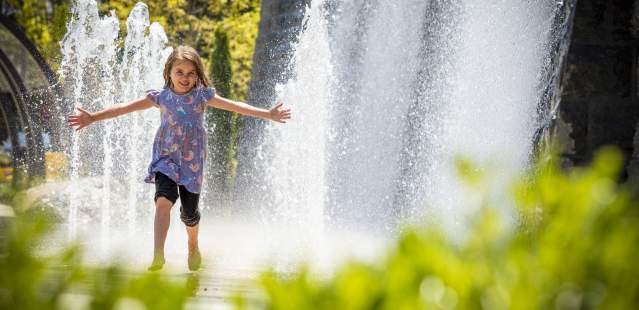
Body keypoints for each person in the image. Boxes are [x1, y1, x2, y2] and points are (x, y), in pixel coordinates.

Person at [68, 45, 291, 271]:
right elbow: (124, 108)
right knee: (163, 201)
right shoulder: (161, 97)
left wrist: (267, 114)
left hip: (192, 163)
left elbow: (236, 107)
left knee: (189, 214)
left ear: (197, 75)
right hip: (166, 158)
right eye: (180, 72)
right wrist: (93, 117)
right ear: (169, 72)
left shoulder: (202, 96)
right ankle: (157, 255)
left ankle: (193, 243)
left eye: (191, 73)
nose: (185, 77)